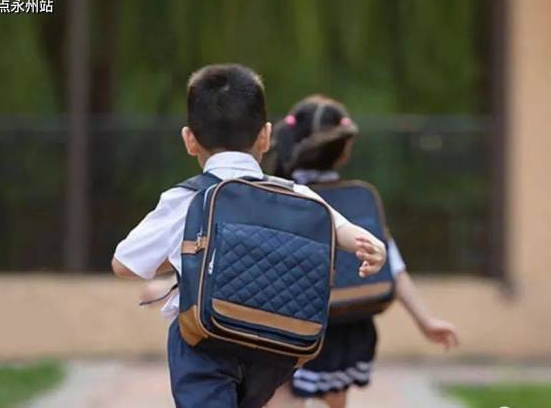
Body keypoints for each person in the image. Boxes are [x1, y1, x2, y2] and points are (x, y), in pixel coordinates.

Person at [111, 65, 388, 408]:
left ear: (189, 140)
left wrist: (186, 255)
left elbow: (124, 264)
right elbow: (344, 232)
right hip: (276, 346)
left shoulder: (186, 199)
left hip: (206, 343)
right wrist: (373, 247)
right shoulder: (296, 195)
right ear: (265, 136)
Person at [265, 95, 459, 408]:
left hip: (294, 322)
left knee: (284, 396)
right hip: (349, 327)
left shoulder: (279, 197)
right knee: (335, 396)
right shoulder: (358, 200)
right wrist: (425, 321)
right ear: (344, 150)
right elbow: (393, 266)